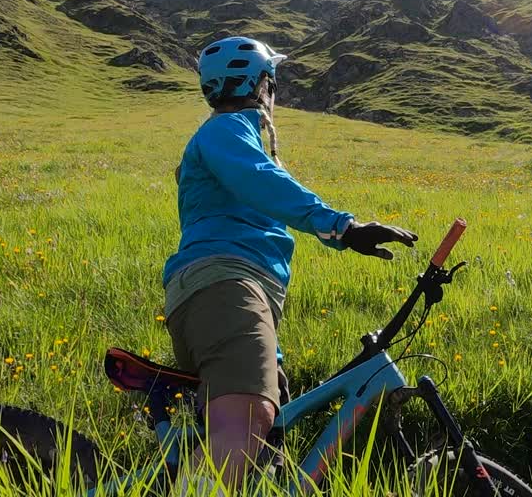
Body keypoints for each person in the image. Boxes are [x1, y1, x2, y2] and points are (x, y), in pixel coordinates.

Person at [164, 35, 418, 494]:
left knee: (265, 446)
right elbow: (265, 183)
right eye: (272, 83)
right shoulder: (227, 131)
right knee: (246, 424)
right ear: (260, 85)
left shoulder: (228, 137)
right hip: (227, 285)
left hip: (230, 293)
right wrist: (344, 227)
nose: (274, 93)